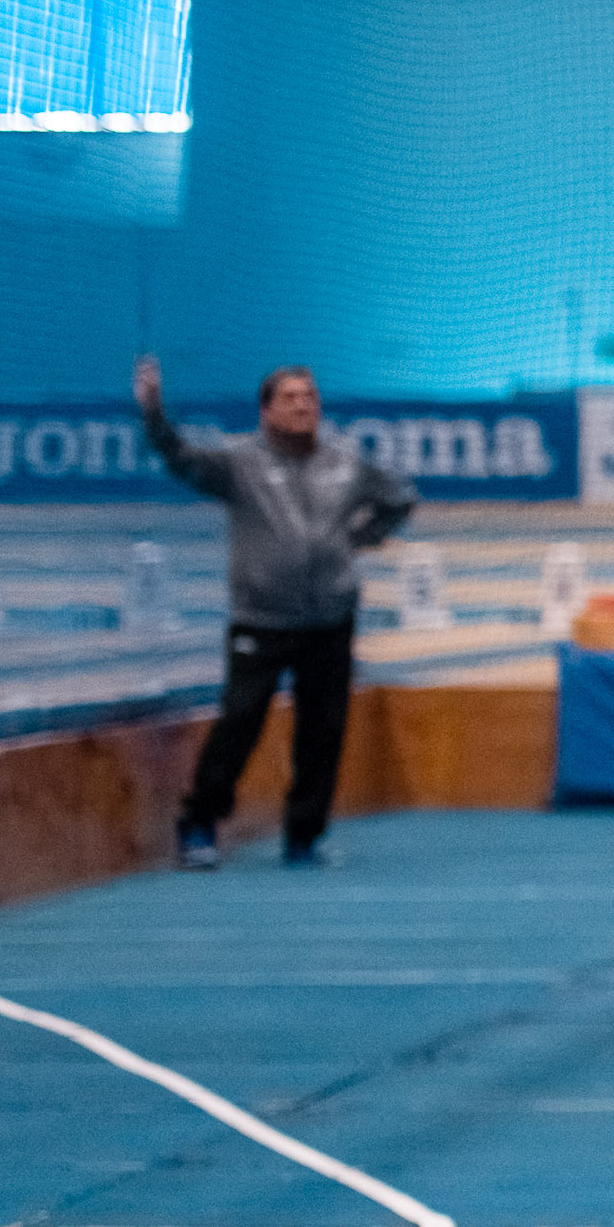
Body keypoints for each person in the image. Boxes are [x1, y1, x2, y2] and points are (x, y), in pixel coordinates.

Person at [134, 355, 415, 869]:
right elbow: (178, 457)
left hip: (330, 618)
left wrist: (360, 537)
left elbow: (399, 499)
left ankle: (305, 835)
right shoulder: (239, 464)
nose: (303, 406)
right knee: (239, 723)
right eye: (290, 398)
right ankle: (199, 824)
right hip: (261, 620)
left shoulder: (347, 463)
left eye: (310, 397)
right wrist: (153, 412)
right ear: (266, 411)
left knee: (323, 732)